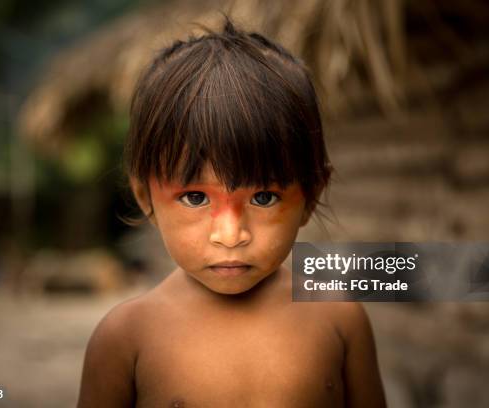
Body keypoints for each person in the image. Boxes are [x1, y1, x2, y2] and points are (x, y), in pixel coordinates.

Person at [77, 18, 386, 408]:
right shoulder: (125, 337)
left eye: (263, 198)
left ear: (310, 197)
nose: (230, 235)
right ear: (145, 196)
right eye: (194, 198)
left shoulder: (340, 321)